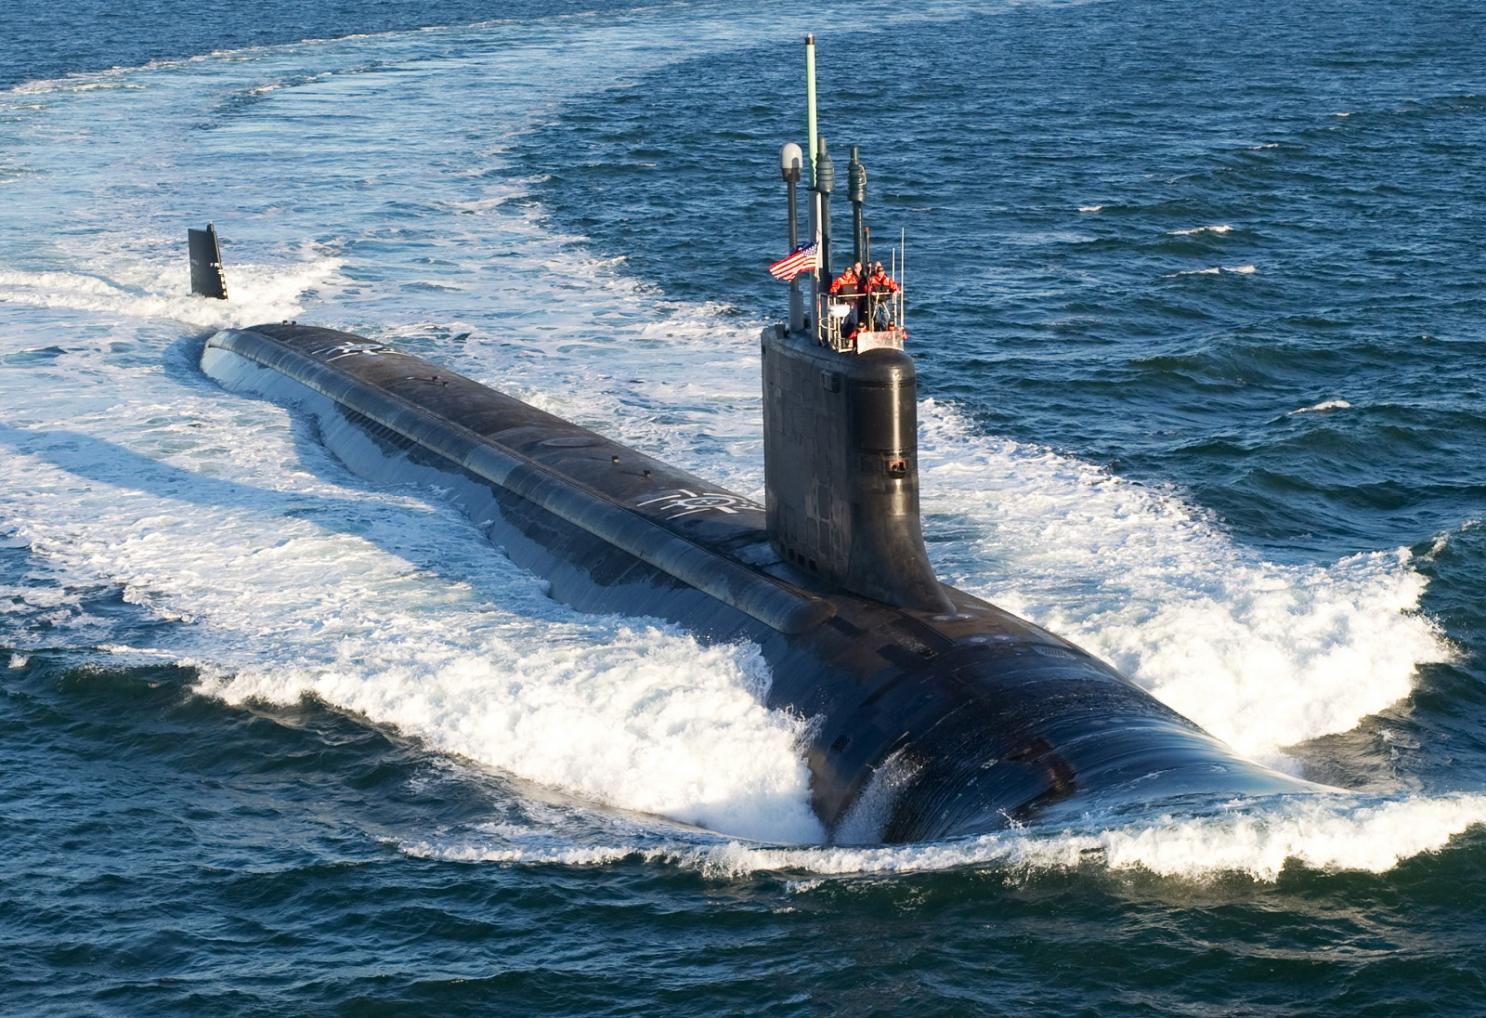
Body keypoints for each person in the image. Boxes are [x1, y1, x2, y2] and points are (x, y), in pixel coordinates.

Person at [828, 262, 863, 338]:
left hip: (854, 303)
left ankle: (852, 337)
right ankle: (843, 336)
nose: (848, 273)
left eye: (850, 272)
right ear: (845, 272)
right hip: (844, 304)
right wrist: (834, 292)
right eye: (847, 272)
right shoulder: (840, 280)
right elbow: (834, 287)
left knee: (854, 321)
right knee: (845, 321)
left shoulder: (855, 280)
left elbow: (861, 288)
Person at [865, 261, 899, 331]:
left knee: (886, 317)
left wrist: (895, 291)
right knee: (877, 318)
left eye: (882, 271)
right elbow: (867, 288)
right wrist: (871, 292)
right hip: (875, 301)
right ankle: (878, 330)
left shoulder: (887, 280)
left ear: (884, 272)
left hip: (885, 301)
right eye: (879, 271)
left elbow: (895, 286)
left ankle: (885, 329)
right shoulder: (872, 279)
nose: (880, 273)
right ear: (877, 272)